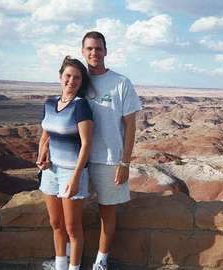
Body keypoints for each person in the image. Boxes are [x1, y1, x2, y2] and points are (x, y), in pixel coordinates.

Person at [82, 31, 142, 270]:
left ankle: (101, 260)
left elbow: (131, 126)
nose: (94, 53)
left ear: (105, 51)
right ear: (83, 52)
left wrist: (125, 163)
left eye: (98, 48)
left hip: (109, 161)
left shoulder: (121, 83)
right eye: (89, 49)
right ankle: (68, 259)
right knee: (72, 212)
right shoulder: (78, 80)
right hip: (80, 162)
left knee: (107, 212)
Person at [36, 56, 93, 270]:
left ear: (81, 82)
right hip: (51, 171)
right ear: (60, 77)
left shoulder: (81, 106)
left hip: (71, 172)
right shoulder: (49, 103)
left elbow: (86, 144)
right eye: (68, 76)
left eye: (77, 77)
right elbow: (45, 135)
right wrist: (41, 157)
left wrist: (77, 177)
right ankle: (60, 265)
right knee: (56, 224)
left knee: (72, 227)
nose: (71, 81)